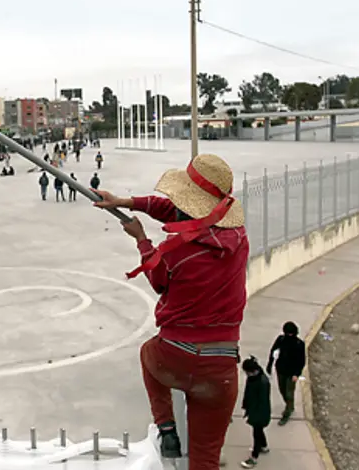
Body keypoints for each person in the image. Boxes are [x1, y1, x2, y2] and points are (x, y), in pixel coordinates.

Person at [92, 153, 248, 467]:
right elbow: (175, 212)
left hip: (175, 356)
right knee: (206, 459)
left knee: (148, 354)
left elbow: (158, 280)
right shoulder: (238, 238)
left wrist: (141, 240)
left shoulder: (175, 253)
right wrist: (125, 202)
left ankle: (166, 426)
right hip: (221, 370)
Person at [266, 321, 305, 426]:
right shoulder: (281, 340)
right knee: (282, 390)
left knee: (289, 393)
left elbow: (302, 361)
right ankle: (290, 405)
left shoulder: (299, 344)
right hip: (281, 370)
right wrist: (269, 365)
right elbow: (273, 351)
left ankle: (287, 412)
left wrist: (297, 374)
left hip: (291, 373)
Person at [239, 356, 271, 468]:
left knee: (256, 433)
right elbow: (248, 392)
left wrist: (255, 416)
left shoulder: (263, 382)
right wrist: (245, 405)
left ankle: (254, 457)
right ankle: (264, 446)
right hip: (254, 410)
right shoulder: (252, 378)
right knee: (258, 430)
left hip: (259, 413)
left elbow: (262, 402)